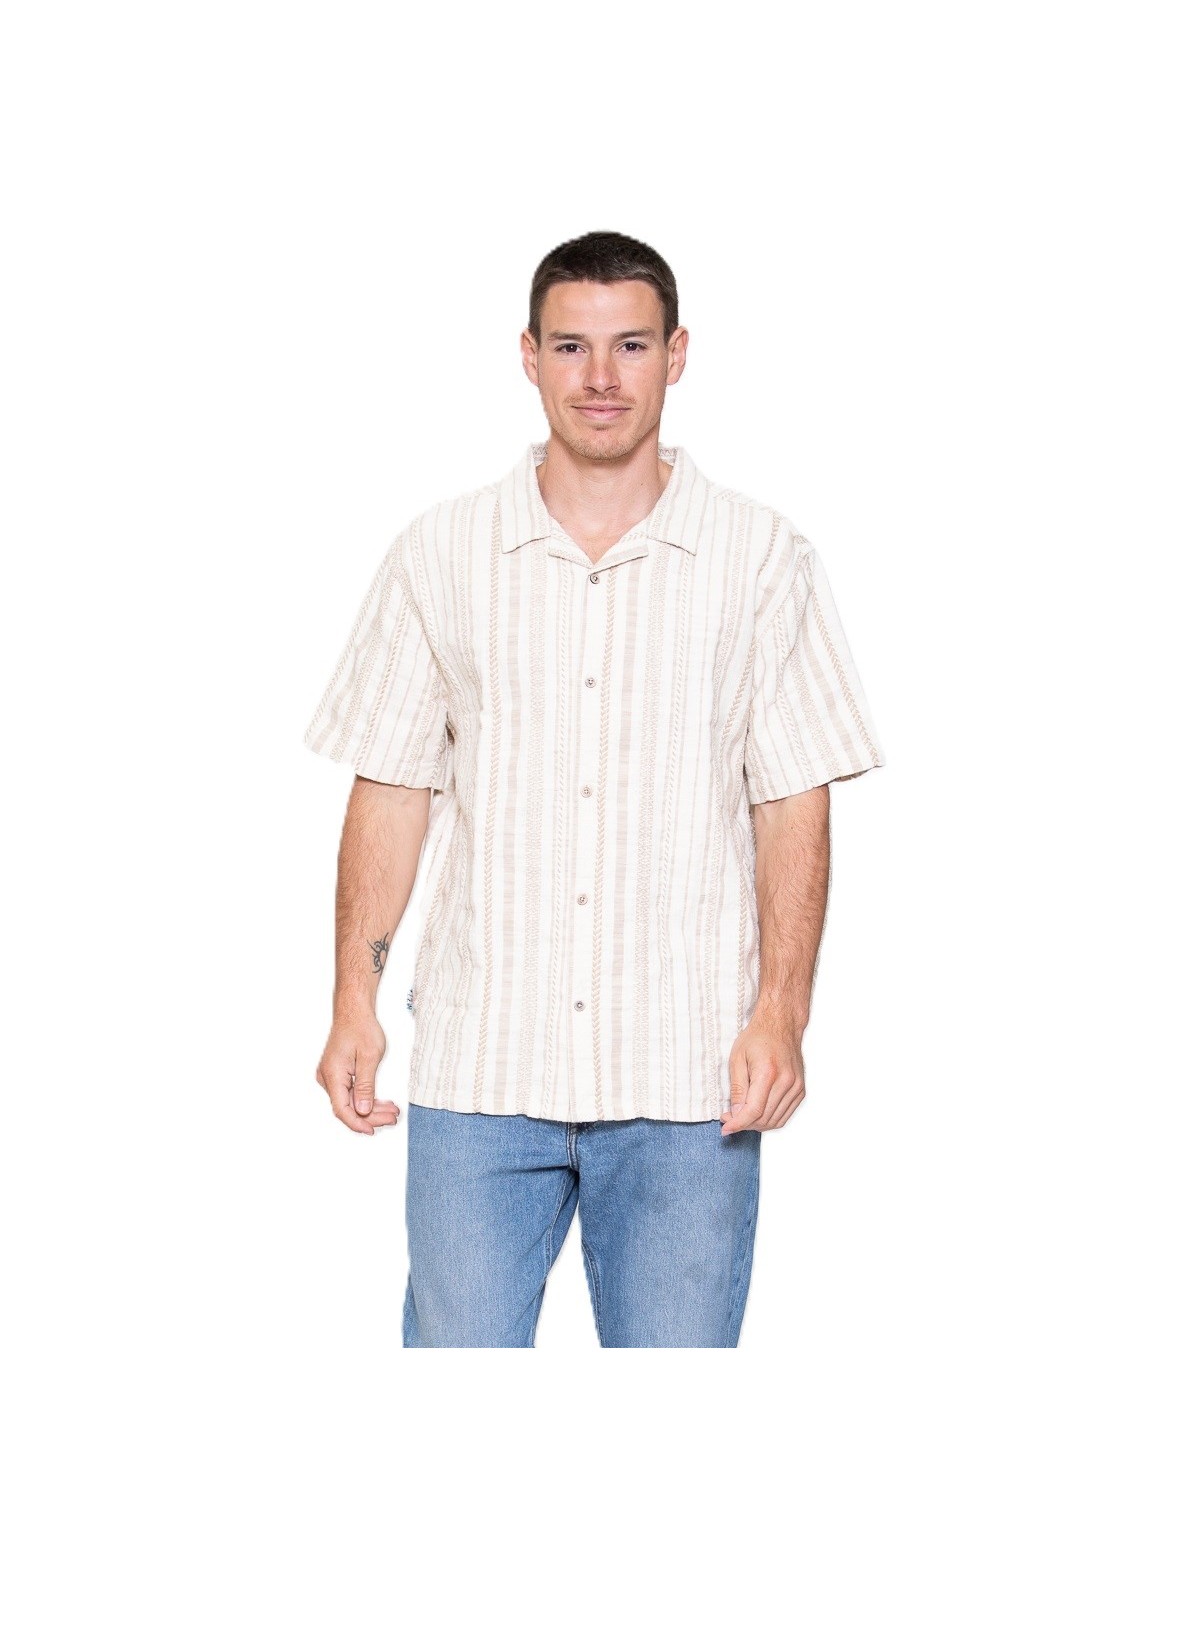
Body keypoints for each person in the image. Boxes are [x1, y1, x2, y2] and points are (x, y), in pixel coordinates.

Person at [303, 230, 884, 1347]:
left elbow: (792, 803)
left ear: (678, 354)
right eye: (572, 345)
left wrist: (783, 1012)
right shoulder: (442, 552)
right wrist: (351, 1000)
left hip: (687, 1080)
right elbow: (393, 789)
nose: (602, 377)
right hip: (482, 1070)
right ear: (529, 356)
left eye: (631, 345)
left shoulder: (763, 560)